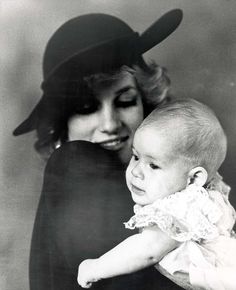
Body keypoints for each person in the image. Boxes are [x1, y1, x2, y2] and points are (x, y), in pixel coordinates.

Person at [13, 9, 186, 290]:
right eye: (86, 107)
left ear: (147, 109)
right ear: (61, 125)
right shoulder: (72, 162)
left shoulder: (173, 189)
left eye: (126, 101)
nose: (110, 124)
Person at [78, 98, 236, 290]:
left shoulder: (180, 209)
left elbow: (147, 251)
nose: (136, 171)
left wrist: (95, 267)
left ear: (194, 179)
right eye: (135, 156)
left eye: (153, 165)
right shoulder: (199, 197)